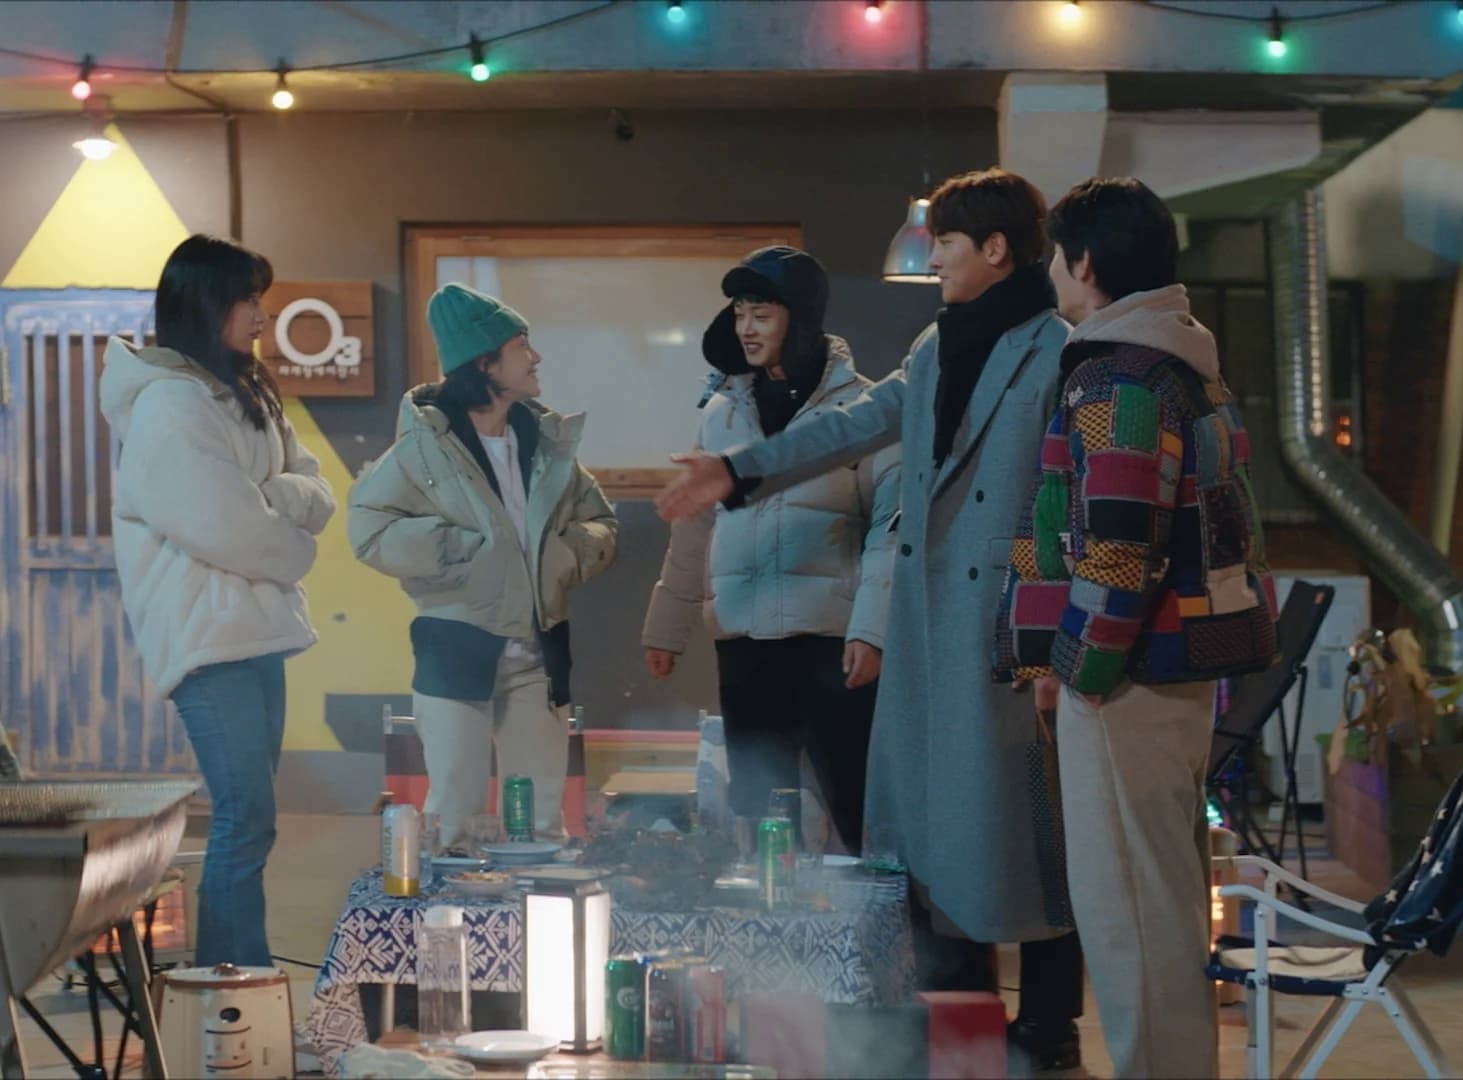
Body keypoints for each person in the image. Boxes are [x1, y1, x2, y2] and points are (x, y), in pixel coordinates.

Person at [655, 169, 1086, 1070]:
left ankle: (1048, 1027)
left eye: (947, 244)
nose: (934, 260)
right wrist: (738, 470)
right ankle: (956, 1014)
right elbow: (855, 425)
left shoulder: (1057, 352)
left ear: (996, 250)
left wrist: (1056, 636)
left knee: (1031, 835)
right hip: (934, 627)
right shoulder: (936, 346)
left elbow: (1070, 508)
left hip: (1013, 634)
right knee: (932, 831)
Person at [994, 177, 1280, 1077]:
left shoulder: (1117, 377)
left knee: (1131, 917)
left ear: (1085, 264)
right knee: (1159, 901)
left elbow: (1118, 547)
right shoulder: (1180, 361)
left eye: (1056, 254)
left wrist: (1075, 670)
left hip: (1128, 680)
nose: (1051, 270)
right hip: (1172, 670)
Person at [101, 234, 334, 966]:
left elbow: (316, 488)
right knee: (243, 815)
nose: (262, 315)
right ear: (205, 304)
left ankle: (240, 981)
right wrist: (287, 537)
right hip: (208, 639)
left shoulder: (242, 391)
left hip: (255, 632)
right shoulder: (171, 404)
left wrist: (269, 497)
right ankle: (228, 991)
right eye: (247, 299)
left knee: (253, 820)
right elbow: (226, 526)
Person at [641, 246, 899, 851]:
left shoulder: (864, 410)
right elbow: (694, 526)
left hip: (830, 645)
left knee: (856, 810)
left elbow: (891, 527)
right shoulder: (720, 412)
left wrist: (872, 630)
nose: (746, 329)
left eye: (761, 314)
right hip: (745, 644)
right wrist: (666, 627)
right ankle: (771, 915)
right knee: (760, 818)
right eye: (738, 314)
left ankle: (875, 915)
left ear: (800, 318)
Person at [348, 284, 618, 848]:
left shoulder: (546, 442)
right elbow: (368, 531)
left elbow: (601, 523)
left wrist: (560, 558)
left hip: (539, 655)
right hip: (456, 651)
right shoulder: (424, 446)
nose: (536, 356)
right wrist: (459, 550)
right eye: (521, 345)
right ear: (484, 362)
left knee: (540, 826)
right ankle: (450, 909)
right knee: (454, 822)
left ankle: (535, 908)